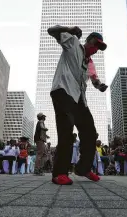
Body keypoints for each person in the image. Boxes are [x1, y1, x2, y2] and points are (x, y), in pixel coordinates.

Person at [47, 25, 108, 185]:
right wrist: (70, 29)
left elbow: (94, 78)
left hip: (79, 98)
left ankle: (83, 168)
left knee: (90, 132)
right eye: (95, 44)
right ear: (88, 41)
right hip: (63, 90)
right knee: (66, 129)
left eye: (99, 48)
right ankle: (59, 172)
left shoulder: (90, 62)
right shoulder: (73, 43)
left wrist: (99, 85)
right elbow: (51, 31)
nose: (95, 49)